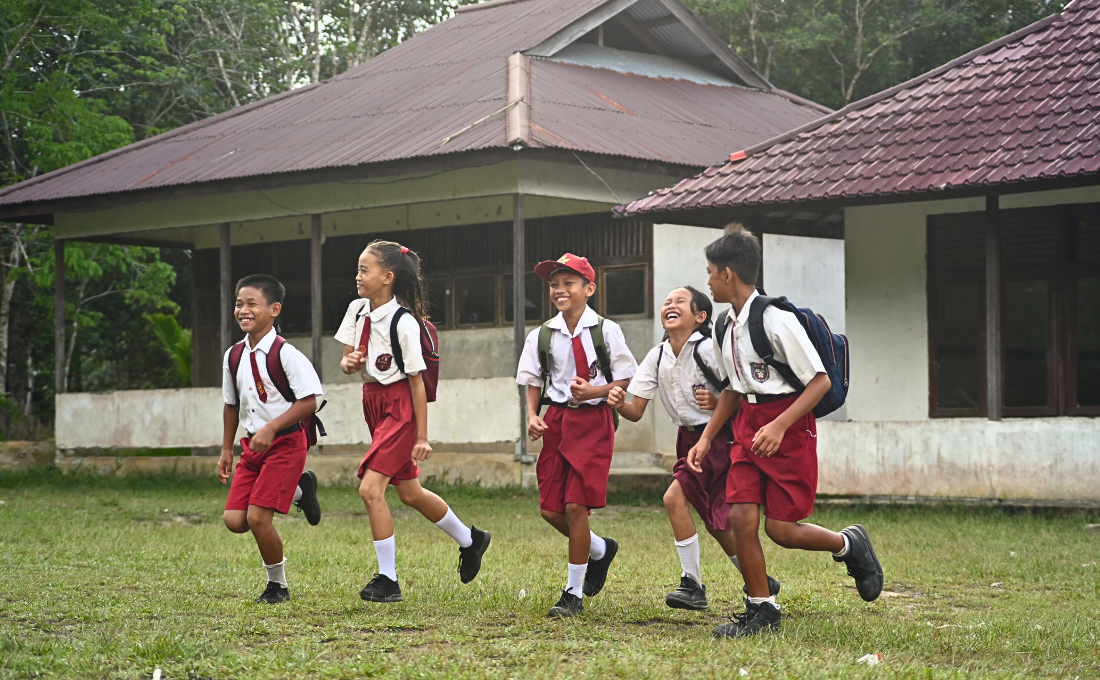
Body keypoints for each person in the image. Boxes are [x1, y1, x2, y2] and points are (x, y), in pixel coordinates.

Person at [689, 225, 883, 638]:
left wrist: (779, 424)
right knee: (740, 516)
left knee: (781, 530)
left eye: (709, 271)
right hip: (747, 428)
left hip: (788, 425)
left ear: (727, 274)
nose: (706, 280)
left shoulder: (775, 320)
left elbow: (819, 382)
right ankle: (763, 610)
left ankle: (849, 545)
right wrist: (707, 438)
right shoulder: (725, 325)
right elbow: (733, 388)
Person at [334, 240, 490, 604]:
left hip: (401, 406)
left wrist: (422, 435)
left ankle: (388, 579)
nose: (358, 276)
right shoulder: (357, 310)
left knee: (371, 489)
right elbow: (346, 359)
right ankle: (471, 540)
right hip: (372, 401)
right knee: (408, 492)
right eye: (358, 268)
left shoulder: (404, 323)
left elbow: (417, 382)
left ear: (387, 277)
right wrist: (351, 364)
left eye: (364, 269)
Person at [608, 286, 780, 611]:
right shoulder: (656, 356)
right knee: (716, 522)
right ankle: (761, 581)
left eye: (680, 302)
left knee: (674, 498)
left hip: (718, 439)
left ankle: (693, 584)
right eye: (667, 302)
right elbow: (635, 411)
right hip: (687, 440)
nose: (670, 305)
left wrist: (715, 404)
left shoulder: (707, 348)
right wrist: (619, 403)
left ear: (700, 316)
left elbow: (739, 392)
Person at [516, 253, 637, 618]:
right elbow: (533, 381)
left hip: (593, 422)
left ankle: (573, 593)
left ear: (589, 288)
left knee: (575, 506)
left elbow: (626, 377)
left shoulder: (606, 330)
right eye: (554, 284)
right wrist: (532, 416)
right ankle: (600, 550)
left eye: (568, 283)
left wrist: (596, 393)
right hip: (557, 421)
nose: (559, 290)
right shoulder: (542, 334)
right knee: (551, 510)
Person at [218, 273, 324, 604]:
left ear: (274, 309)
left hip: (286, 443)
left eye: (252, 304)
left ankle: (277, 585)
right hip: (253, 446)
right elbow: (231, 404)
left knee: (257, 518)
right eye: (239, 304)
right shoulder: (233, 356)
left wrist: (271, 428)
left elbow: (310, 400)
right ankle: (299, 489)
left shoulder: (286, 354)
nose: (243, 310)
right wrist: (226, 449)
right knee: (234, 521)